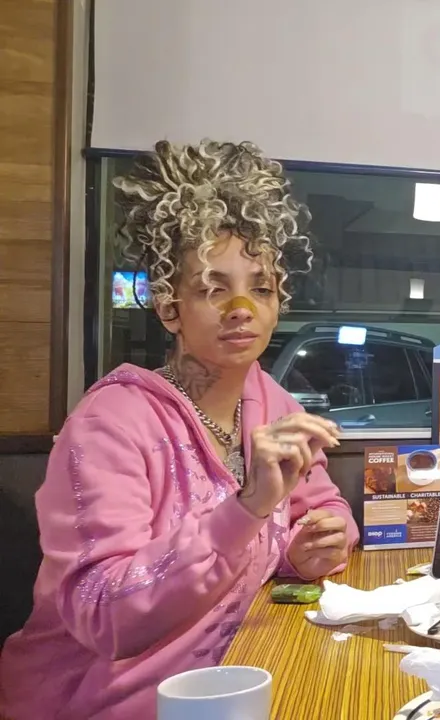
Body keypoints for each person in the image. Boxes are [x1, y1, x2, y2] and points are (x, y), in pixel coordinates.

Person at [0, 140, 358, 720]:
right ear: (169, 308)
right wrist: (247, 508)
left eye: (260, 287)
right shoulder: (110, 423)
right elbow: (104, 615)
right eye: (213, 288)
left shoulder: (272, 402)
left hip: (234, 680)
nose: (241, 307)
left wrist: (314, 545)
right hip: (102, 703)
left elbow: (323, 505)